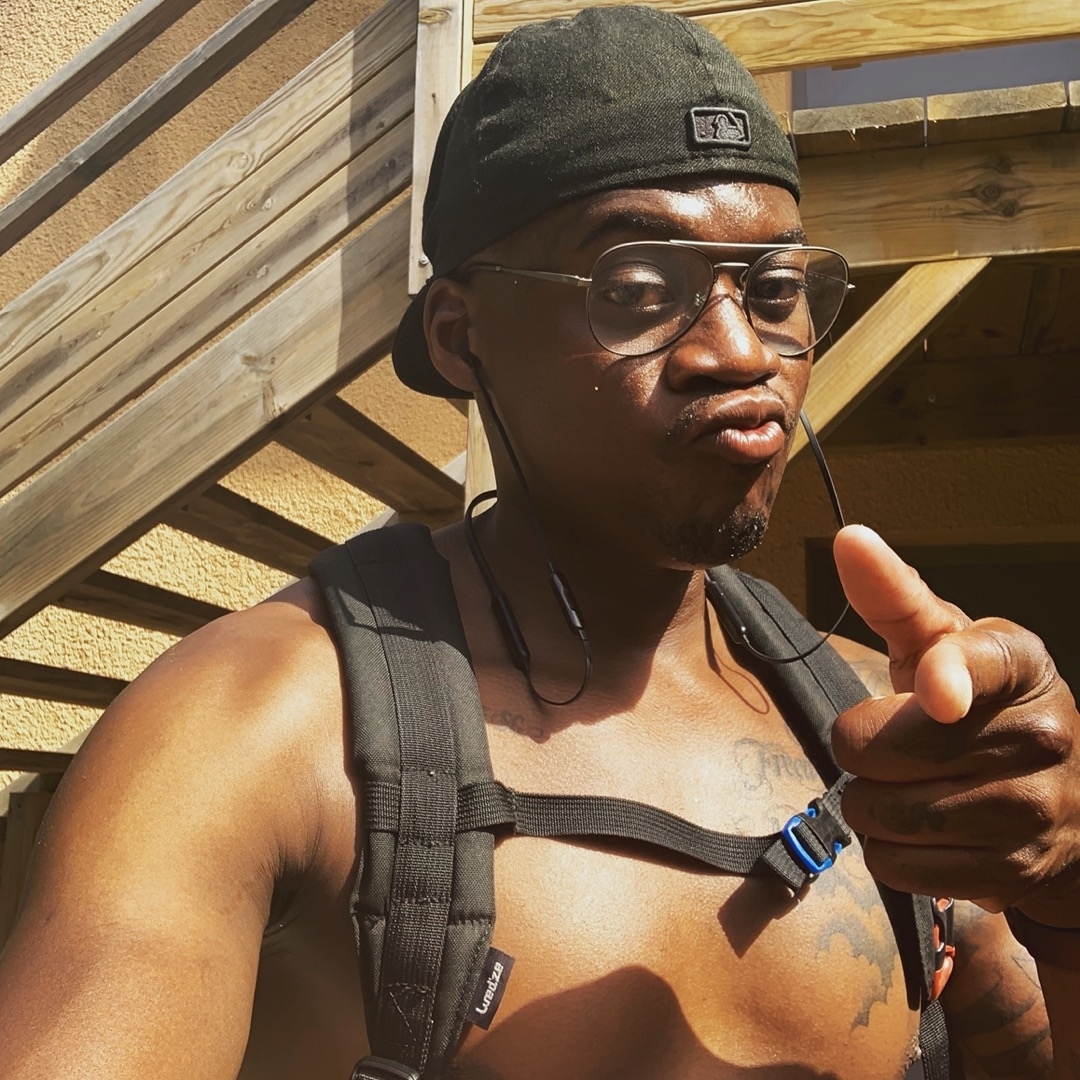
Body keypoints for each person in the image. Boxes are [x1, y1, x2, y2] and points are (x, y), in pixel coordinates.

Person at [1, 6, 1078, 1079]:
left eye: (776, 290)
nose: (740, 351)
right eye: (639, 291)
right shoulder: (256, 733)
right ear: (461, 337)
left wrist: (1066, 885)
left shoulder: (881, 738)